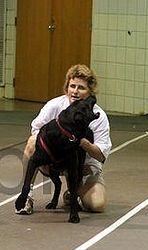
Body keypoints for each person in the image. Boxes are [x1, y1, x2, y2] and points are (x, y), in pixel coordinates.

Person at [15, 64, 112, 215]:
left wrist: (79, 141)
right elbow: (36, 130)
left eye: (81, 88)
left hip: (83, 165)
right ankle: (27, 195)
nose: (75, 91)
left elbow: (101, 155)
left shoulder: (99, 116)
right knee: (33, 142)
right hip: (54, 160)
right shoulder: (54, 105)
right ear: (66, 87)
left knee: (97, 205)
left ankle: (74, 194)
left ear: (90, 91)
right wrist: (57, 147)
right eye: (72, 86)